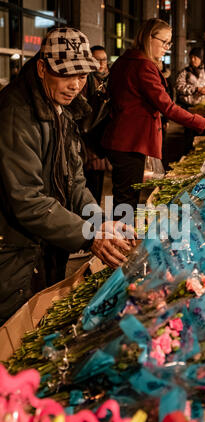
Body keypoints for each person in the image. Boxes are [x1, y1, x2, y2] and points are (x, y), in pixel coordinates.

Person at [0, 28, 135, 324]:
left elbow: (74, 182)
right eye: (66, 75)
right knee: (12, 331)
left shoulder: (62, 109)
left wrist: (100, 223)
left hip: (45, 243)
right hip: (14, 249)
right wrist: (89, 236)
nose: (75, 85)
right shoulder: (16, 113)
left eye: (83, 76)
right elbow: (27, 200)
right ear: (41, 68)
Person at [101, 19, 205, 212]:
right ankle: (120, 238)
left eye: (169, 43)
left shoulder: (125, 60)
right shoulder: (142, 66)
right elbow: (167, 107)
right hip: (130, 141)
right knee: (126, 199)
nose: (167, 48)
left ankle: (120, 235)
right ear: (148, 38)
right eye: (164, 42)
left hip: (122, 138)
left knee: (124, 195)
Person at [81, 45, 111, 205]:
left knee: (98, 180)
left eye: (103, 59)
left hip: (103, 136)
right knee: (89, 180)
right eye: (96, 59)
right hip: (87, 137)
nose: (101, 63)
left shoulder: (110, 79)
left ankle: (94, 216)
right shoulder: (85, 80)